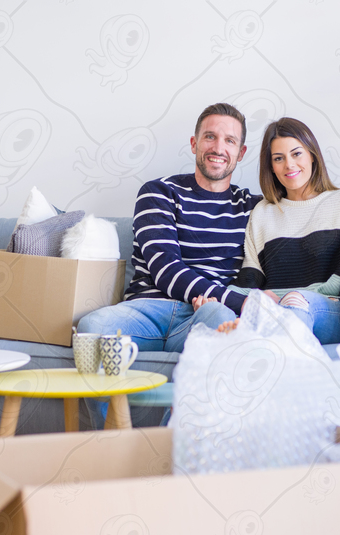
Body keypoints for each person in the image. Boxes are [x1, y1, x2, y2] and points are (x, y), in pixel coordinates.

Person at [201, 117, 340, 344]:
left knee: (295, 300)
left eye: (296, 154)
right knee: (222, 315)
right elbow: (250, 279)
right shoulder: (262, 213)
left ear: (312, 155)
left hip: (330, 311)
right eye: (279, 158)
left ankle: (258, 340)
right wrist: (217, 299)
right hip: (278, 310)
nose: (289, 165)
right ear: (271, 167)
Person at [77, 103, 261, 351]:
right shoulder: (158, 193)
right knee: (92, 327)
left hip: (204, 313)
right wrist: (242, 302)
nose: (218, 148)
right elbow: (166, 270)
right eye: (210, 137)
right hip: (147, 311)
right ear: (194, 144)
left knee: (221, 320)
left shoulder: (252, 207)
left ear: (241, 152)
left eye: (230, 140)